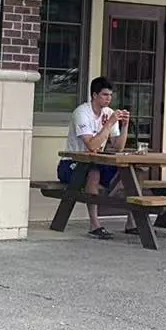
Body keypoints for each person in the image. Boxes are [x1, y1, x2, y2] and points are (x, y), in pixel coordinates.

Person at [61, 77, 132, 239]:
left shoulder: (109, 113)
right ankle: (94, 224)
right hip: (72, 164)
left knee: (133, 172)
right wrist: (109, 124)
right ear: (94, 95)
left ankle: (132, 221)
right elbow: (92, 146)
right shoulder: (82, 113)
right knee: (93, 173)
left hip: (98, 162)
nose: (109, 99)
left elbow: (118, 146)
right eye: (105, 95)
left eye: (110, 95)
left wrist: (125, 125)